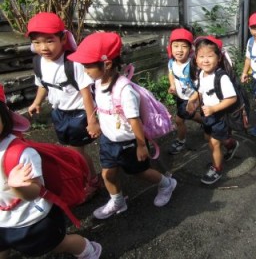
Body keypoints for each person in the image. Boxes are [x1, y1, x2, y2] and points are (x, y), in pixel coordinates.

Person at [67, 32, 176, 219]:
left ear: (107, 64)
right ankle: (118, 201)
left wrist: (141, 145)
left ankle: (166, 183)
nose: (84, 70)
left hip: (129, 143)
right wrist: (100, 124)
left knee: (140, 173)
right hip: (109, 140)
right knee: (107, 175)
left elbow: (135, 120)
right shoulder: (98, 83)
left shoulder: (124, 90)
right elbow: (104, 109)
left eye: (87, 66)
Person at [0, 84, 102, 259]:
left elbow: (34, 192)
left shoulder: (19, 153)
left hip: (30, 219)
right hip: (3, 220)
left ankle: (87, 250)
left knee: (58, 244)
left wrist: (17, 186)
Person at [26, 12, 101, 199]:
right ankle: (81, 176)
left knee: (76, 153)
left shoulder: (73, 63)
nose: (43, 47)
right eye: (37, 42)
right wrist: (37, 102)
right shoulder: (38, 63)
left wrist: (92, 121)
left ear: (62, 38)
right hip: (59, 113)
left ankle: (91, 180)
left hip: (79, 114)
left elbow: (86, 94)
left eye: (49, 41)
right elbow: (43, 85)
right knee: (68, 150)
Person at [186, 36, 239, 185]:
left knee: (214, 144)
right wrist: (192, 100)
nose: (206, 60)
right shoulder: (201, 74)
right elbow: (201, 91)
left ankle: (217, 169)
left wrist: (214, 108)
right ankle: (231, 144)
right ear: (196, 59)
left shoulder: (221, 77)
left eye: (210, 56)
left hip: (220, 115)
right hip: (207, 114)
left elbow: (232, 98)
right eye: (201, 56)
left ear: (219, 58)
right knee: (209, 139)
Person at [167, 28, 202, 154]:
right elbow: (171, 73)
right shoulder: (171, 62)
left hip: (192, 98)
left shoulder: (192, 66)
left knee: (179, 120)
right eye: (175, 46)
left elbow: (201, 88)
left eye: (184, 46)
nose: (179, 50)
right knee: (190, 115)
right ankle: (205, 123)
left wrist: (192, 101)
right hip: (181, 96)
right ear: (170, 46)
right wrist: (172, 85)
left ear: (190, 49)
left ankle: (180, 141)